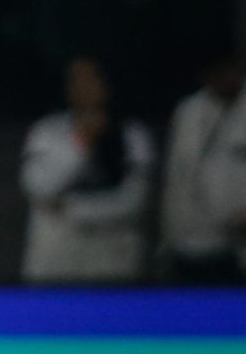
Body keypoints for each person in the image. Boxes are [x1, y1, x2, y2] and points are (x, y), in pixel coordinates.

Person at [20, 56, 153, 284]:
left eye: (91, 79)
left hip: (112, 263)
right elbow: (39, 187)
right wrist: (82, 144)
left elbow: (134, 202)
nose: (84, 87)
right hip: (56, 264)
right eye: (76, 80)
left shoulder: (133, 135)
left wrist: (73, 209)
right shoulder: (47, 131)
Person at [159, 48, 246, 283]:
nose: (222, 78)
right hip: (186, 240)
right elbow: (176, 175)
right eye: (215, 73)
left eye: (228, 71)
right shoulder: (188, 110)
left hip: (235, 244)